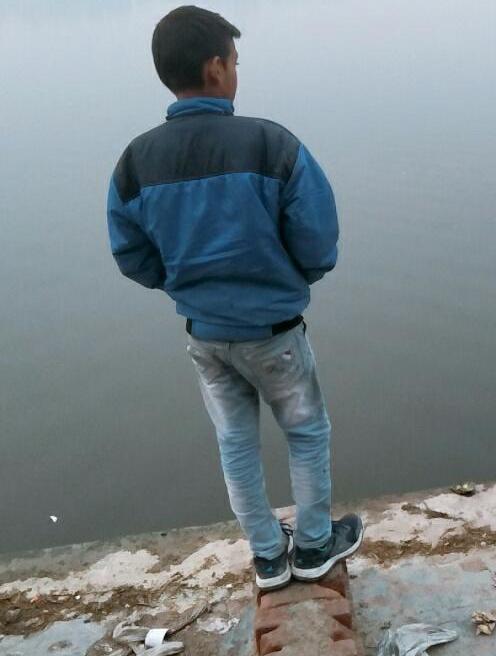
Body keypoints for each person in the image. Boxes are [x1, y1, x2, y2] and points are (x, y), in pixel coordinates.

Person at [107, 5, 363, 591]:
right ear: (216, 68)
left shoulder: (136, 161)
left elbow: (130, 253)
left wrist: (182, 283)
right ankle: (314, 546)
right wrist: (289, 279)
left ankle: (268, 556)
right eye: (235, 61)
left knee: (235, 443)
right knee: (306, 432)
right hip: (274, 332)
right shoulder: (272, 144)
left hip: (206, 336)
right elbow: (318, 240)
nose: (236, 71)